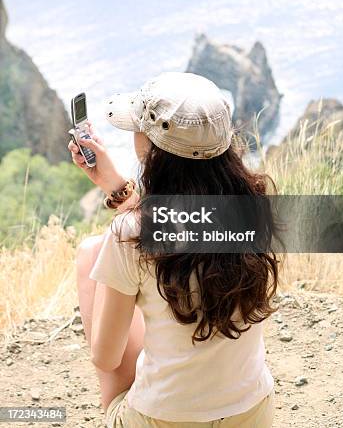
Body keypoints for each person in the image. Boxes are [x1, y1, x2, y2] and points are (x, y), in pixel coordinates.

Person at [69, 71, 278, 427]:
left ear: (151, 150)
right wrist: (116, 187)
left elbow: (106, 358)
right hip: (252, 414)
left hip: (163, 420)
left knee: (92, 253)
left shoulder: (130, 235)